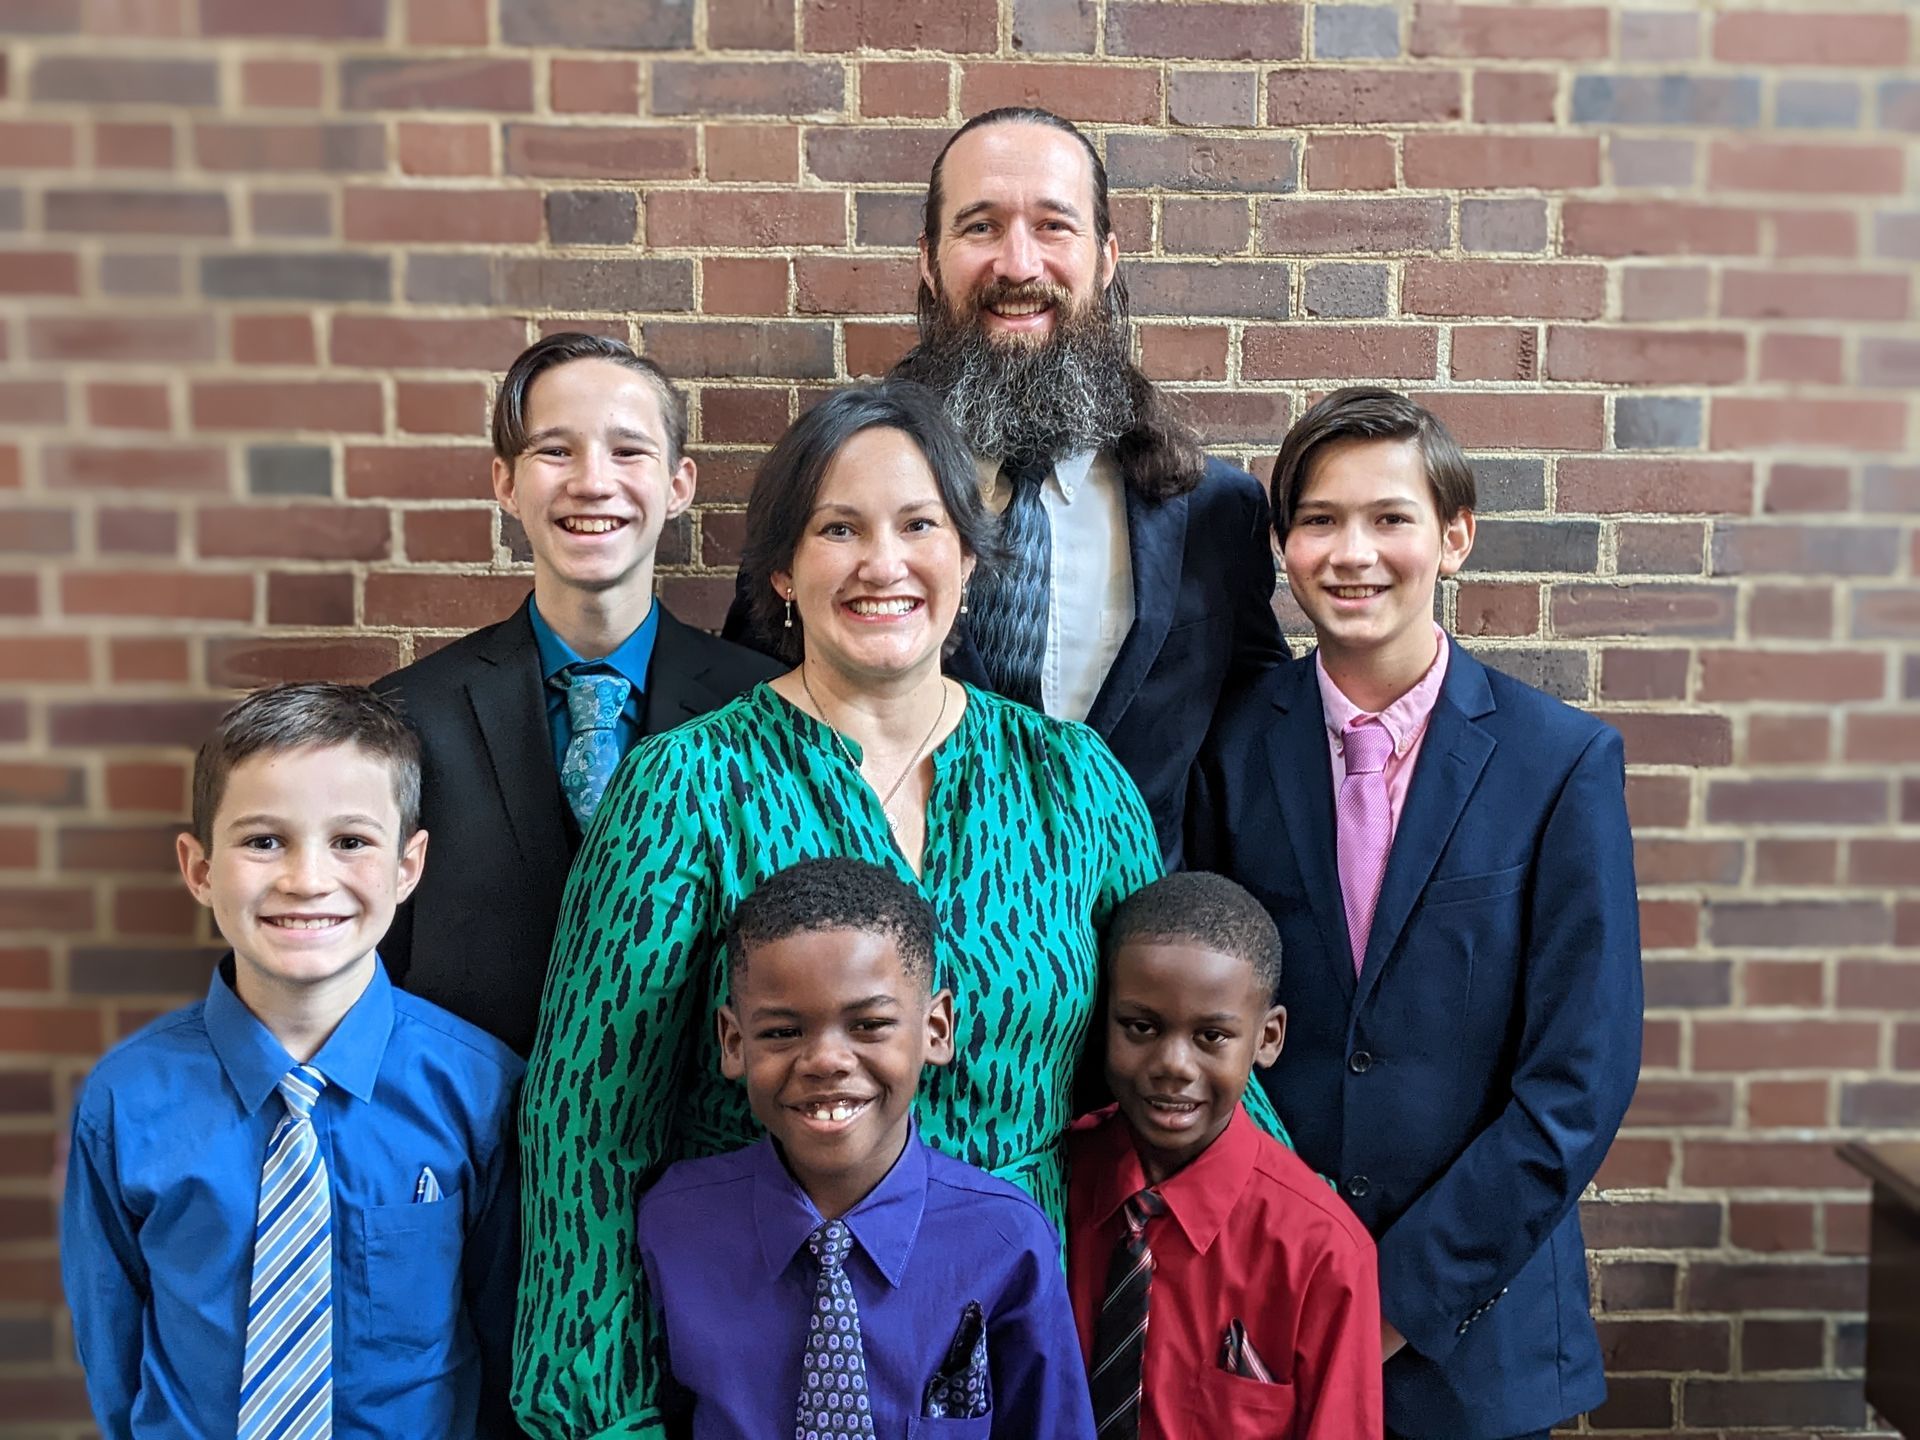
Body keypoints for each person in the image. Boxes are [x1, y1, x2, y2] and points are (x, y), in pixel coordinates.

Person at [512, 379, 1177, 1439]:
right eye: (838, 529)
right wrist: (601, 1418)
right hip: (754, 1353)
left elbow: (1171, 1044)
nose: (883, 562)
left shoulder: (1077, 783)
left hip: (1008, 1354)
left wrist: (1310, 1244)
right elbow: (587, 1130)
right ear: (783, 568)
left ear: (967, 554)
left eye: (920, 524)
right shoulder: (685, 786)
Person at [1188, 389, 1643, 1440]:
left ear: (1454, 537)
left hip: (1473, 1345)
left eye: (1390, 518)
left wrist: (1391, 1299)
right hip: (1265, 1322)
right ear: (1284, 546)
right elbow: (1204, 1030)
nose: (1354, 552)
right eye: (1319, 520)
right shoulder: (1229, 750)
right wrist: (1287, 1264)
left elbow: (1579, 1078)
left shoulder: (1559, 764)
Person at [728, 106, 1287, 862]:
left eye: (1054, 227)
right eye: (981, 227)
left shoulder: (1215, 514)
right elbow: (753, 710)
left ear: (1107, 257)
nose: (1019, 266)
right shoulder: (824, 492)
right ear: (929, 259)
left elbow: (1255, 747)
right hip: (889, 956)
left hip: (1140, 961)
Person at [61, 683, 523, 1438]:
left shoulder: (480, 1091)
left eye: (350, 841)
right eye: (264, 840)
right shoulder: (125, 1100)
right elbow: (113, 1346)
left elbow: (505, 1331)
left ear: (408, 866)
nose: (307, 880)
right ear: (200, 868)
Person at [377, 332, 780, 1055]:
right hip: (472, 1145)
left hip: (704, 1150)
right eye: (554, 451)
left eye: (629, 451)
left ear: (679, 484)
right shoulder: (408, 716)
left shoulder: (762, 710)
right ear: (506, 483)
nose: (593, 481)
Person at [639, 857, 1095, 1439]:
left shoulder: (1007, 1240)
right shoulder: (672, 1223)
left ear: (935, 1030)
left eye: (870, 1025)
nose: (826, 1060)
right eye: (782, 1032)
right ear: (734, 1042)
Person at [1067, 871, 1381, 1440]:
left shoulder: (1323, 1251)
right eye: (1140, 1027)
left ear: (1268, 1037)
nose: (1174, 1064)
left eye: (1211, 1036)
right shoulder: (1057, 1182)